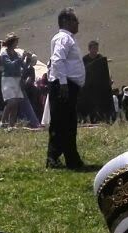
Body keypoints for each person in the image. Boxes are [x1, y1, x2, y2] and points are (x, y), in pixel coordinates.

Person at [47, 8, 86, 169]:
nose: (78, 23)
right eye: (75, 20)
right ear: (65, 21)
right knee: (63, 122)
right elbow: (57, 60)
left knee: (67, 122)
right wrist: (63, 83)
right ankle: (56, 158)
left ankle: (69, 158)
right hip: (64, 85)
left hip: (68, 84)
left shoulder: (68, 39)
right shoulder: (63, 38)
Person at [79, 40, 114, 123]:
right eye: (94, 48)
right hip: (89, 87)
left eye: (96, 48)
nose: (95, 50)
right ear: (89, 49)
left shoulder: (100, 58)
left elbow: (106, 70)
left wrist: (109, 79)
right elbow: (81, 71)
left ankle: (103, 119)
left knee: (101, 104)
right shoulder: (84, 59)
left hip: (99, 87)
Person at [0, 34, 27, 127]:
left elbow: (23, 66)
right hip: (7, 79)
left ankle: (11, 125)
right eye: (15, 41)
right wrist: (21, 59)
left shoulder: (16, 54)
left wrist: (28, 60)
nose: (17, 43)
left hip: (17, 79)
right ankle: (2, 122)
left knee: (16, 104)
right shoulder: (4, 54)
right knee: (11, 101)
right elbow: (10, 66)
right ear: (11, 42)